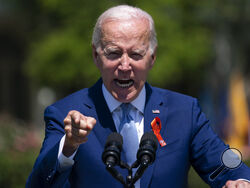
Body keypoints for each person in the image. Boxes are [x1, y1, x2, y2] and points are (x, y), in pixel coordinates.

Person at [26, 5, 250, 188]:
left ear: (152, 58)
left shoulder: (185, 111)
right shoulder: (65, 114)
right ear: (96, 55)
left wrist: (241, 180)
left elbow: (223, 161)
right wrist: (69, 145)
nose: (124, 66)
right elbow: (39, 183)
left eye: (136, 54)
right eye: (113, 53)